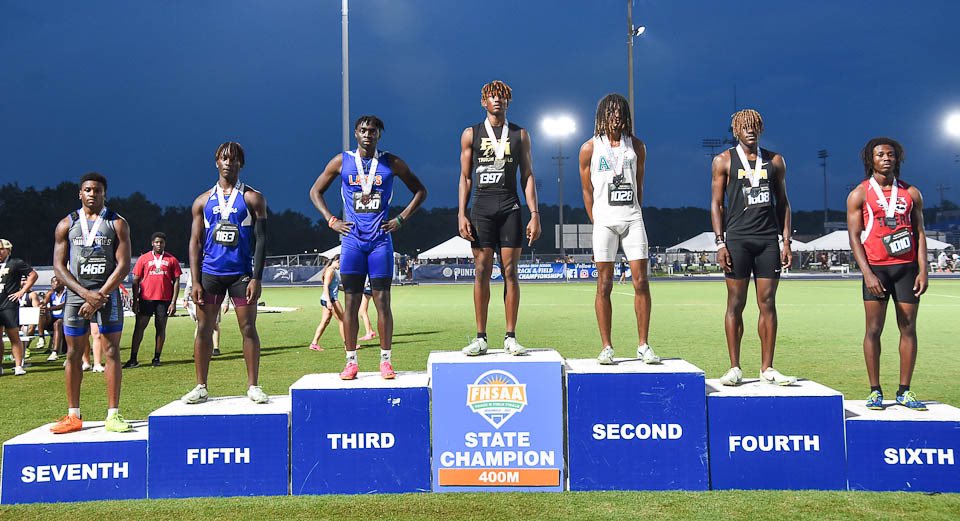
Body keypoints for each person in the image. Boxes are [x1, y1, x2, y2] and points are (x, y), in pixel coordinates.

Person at [310, 115, 427, 380]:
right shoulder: (342, 161)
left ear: (379, 135)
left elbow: (420, 191)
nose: (367, 134)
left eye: (372, 131)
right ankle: (351, 361)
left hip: (380, 242)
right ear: (355, 134)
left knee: (382, 303)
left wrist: (401, 219)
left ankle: (385, 360)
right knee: (350, 304)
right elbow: (315, 191)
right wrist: (331, 220)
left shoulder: (391, 163)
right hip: (351, 242)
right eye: (363, 130)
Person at [710, 109, 796, 386]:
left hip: (767, 239)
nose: (750, 130)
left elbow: (783, 202)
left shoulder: (775, 161)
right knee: (735, 303)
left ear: (761, 129)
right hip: (737, 240)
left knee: (767, 303)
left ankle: (767, 368)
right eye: (744, 126)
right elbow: (716, 204)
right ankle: (734, 367)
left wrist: (786, 240)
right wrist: (720, 241)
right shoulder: (723, 160)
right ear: (735, 130)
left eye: (755, 125)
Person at [457, 80, 541, 356]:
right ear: (483, 102)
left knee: (510, 272)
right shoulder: (471, 134)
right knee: (481, 271)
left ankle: (510, 336)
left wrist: (535, 214)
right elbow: (466, 177)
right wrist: (462, 212)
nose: (497, 101)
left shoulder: (520, 134)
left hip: (509, 206)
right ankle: (481, 337)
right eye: (492, 97)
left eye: (502, 97)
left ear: (508, 102)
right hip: (481, 207)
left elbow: (527, 175)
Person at [182, 141, 269, 404]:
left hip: (240, 273)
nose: (228, 162)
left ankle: (253, 386)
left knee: (248, 327)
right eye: (224, 158)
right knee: (204, 328)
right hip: (210, 274)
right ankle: (201, 386)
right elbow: (195, 242)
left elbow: (262, 240)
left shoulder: (253, 197)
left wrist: (257, 277)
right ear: (216, 162)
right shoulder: (202, 201)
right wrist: (194, 281)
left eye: (233, 158)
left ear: (241, 163)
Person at [846, 137, 929, 410]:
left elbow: (919, 233)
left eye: (891, 154)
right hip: (877, 270)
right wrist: (867, 274)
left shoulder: (911, 193)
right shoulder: (859, 193)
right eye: (880, 154)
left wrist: (923, 270)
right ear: (871, 160)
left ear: (898, 159)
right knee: (873, 330)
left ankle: (905, 390)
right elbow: (855, 238)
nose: (886, 158)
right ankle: (875, 390)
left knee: (908, 328)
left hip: (906, 269)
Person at [578, 93, 660, 366]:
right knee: (604, 284)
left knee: (641, 282)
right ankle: (606, 346)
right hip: (604, 221)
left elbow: (640, 184)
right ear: (602, 115)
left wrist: (635, 211)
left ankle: (643, 345)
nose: (616, 116)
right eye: (611, 112)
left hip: (633, 218)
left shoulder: (636, 146)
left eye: (621, 112)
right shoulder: (589, 148)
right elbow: (586, 191)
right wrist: (596, 220)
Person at [51, 172, 132, 433]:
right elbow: (58, 266)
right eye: (87, 190)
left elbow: (123, 265)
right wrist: (85, 295)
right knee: (74, 353)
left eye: (97, 190)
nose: (92, 194)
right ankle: (73, 415)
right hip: (77, 294)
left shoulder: (117, 223)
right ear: (80, 193)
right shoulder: (67, 224)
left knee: (111, 351)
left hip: (107, 294)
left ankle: (113, 414)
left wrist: (99, 296)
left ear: (104, 194)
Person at [124, 232, 182, 368]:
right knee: (139, 328)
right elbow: (136, 280)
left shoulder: (171, 259)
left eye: (161, 242)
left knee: (160, 328)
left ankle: (157, 357)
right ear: (152, 243)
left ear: (164, 244)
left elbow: (177, 281)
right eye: (156, 242)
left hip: (164, 299)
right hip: (146, 299)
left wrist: (173, 302)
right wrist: (136, 300)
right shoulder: (143, 259)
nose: (159, 244)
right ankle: (133, 358)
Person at [0, 239, 38, 376]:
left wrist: (22, 291)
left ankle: (18, 366)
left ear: (8, 250)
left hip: (9, 304)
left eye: (1, 249)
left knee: (13, 336)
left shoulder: (15, 263)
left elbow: (33, 274)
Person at [308, 255, 345, 352]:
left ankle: (314, 343)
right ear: (337, 261)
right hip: (331, 299)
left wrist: (346, 290)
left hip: (326, 299)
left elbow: (335, 286)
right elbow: (326, 287)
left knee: (325, 322)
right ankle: (347, 344)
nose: (342, 265)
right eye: (341, 263)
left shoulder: (332, 271)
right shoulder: (330, 271)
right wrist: (329, 302)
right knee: (343, 321)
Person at [40, 276, 68, 362]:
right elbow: (44, 303)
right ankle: (41, 338)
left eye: (55, 282)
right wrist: (44, 301)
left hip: (64, 318)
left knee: (57, 324)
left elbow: (63, 305)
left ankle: (55, 352)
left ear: (62, 283)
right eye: (51, 282)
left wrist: (49, 309)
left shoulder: (68, 293)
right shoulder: (51, 294)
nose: (53, 284)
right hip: (52, 319)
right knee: (41, 313)